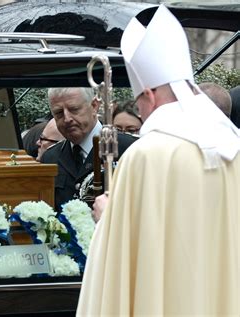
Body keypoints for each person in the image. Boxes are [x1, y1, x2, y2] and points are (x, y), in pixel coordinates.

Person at [77, 5, 240, 316]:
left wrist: (108, 219)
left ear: (148, 95)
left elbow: (123, 262)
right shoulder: (233, 146)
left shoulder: (147, 156)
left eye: (139, 104)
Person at [40, 87, 137, 212]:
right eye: (58, 113)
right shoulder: (50, 158)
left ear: (94, 106)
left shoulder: (129, 149)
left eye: (74, 109)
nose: (67, 118)